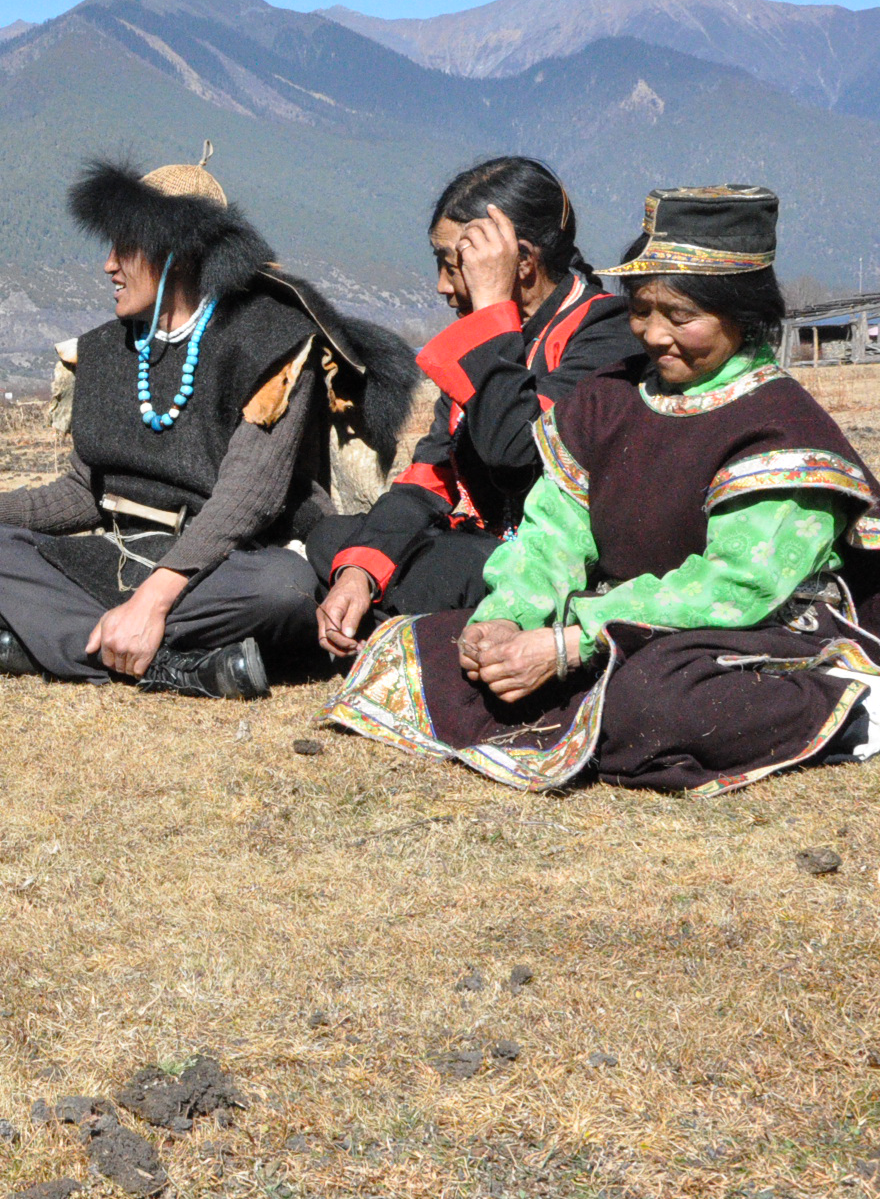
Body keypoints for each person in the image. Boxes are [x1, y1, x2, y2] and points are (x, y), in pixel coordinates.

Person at [326, 185, 880, 795]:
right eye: (641, 310)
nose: (654, 335)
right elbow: (553, 532)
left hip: (747, 632)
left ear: (742, 315)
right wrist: (508, 616)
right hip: (614, 621)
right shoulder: (607, 399)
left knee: (652, 703)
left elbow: (736, 588)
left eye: (681, 317)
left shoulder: (780, 428)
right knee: (432, 649)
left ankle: (845, 708)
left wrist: (571, 642)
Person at [0, 150, 415, 697]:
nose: (109, 265)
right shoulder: (104, 351)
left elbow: (248, 498)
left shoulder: (270, 342)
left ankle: (61, 642)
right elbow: (84, 492)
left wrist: (152, 600)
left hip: (226, 564)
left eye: (125, 247)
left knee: (284, 588)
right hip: (124, 556)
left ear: (177, 251)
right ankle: (180, 667)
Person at [310, 158, 630, 656]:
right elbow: (429, 476)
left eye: (453, 263)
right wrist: (359, 571)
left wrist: (491, 312)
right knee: (336, 539)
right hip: (485, 546)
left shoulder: (604, 333)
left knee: (453, 567)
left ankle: (403, 628)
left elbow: (513, 451)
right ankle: (388, 616)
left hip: (557, 562)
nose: (442, 285)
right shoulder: (489, 338)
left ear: (519, 262)